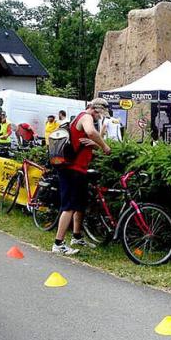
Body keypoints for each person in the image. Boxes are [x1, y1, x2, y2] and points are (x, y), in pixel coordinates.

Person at [52, 98, 112, 256]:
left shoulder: (80, 118)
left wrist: (95, 143)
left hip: (78, 169)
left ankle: (77, 237)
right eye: (100, 114)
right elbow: (91, 132)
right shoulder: (86, 117)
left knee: (79, 204)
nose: (100, 118)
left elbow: (87, 139)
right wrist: (104, 146)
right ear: (95, 110)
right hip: (72, 169)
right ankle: (58, 244)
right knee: (69, 206)